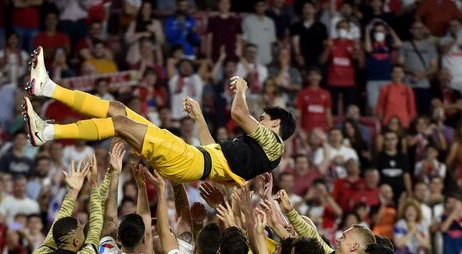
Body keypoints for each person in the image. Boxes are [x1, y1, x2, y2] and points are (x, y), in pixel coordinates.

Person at [24, 47, 295, 186]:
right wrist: (199, 118)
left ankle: (47, 133)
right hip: (195, 157)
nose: (257, 120)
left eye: (262, 117)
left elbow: (238, 111)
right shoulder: (258, 152)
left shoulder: (274, 143)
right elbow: (212, 149)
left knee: (118, 124)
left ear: (275, 123)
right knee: (118, 110)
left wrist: (243, 89)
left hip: (190, 160)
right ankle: (48, 87)